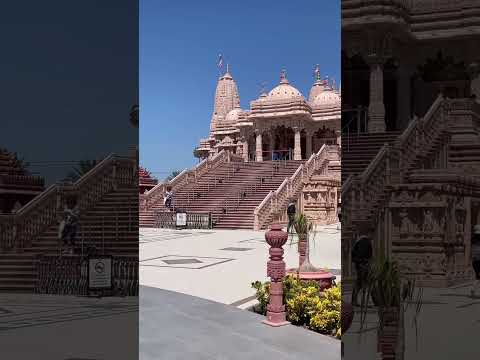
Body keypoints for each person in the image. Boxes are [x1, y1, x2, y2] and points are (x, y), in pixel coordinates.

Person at [351, 235, 373, 306]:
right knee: (362, 283)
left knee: (359, 283)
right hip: (363, 264)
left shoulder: (358, 243)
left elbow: (353, 256)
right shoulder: (367, 242)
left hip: (359, 264)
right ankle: (361, 301)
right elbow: (369, 255)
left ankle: (355, 301)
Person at [470, 225, 480, 297]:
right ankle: (473, 289)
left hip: (474, 261)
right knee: (478, 277)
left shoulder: (472, 239)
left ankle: (473, 288)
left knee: (478, 276)